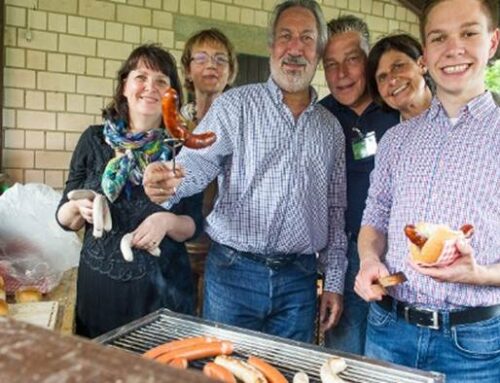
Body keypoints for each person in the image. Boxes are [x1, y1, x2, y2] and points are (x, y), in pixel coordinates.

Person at [143, 0, 347, 343]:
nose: (295, 48)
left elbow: (335, 213)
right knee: (224, 369)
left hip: (299, 281)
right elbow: (196, 165)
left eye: (307, 38)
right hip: (233, 273)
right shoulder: (235, 106)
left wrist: (335, 282)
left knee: (286, 374)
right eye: (285, 36)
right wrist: (168, 183)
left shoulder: (331, 129)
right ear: (271, 45)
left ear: (320, 49)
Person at [355, 0, 500, 381]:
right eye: (439, 38)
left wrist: (480, 274)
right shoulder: (397, 141)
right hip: (389, 329)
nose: (453, 49)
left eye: (469, 33)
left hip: (475, 348)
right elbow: (374, 219)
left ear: (493, 42)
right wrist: (369, 260)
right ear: (426, 54)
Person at [56, 44, 203, 338]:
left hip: (163, 295)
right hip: (100, 292)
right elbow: (63, 216)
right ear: (124, 85)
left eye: (162, 81)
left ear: (171, 96)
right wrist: (78, 208)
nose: (150, 87)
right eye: (141, 77)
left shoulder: (182, 149)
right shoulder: (94, 140)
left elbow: (193, 224)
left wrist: (167, 221)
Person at [319, 15, 399, 355]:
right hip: (343, 256)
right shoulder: (319, 117)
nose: (341, 74)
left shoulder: (397, 110)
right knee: (345, 358)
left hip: (396, 254)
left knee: (390, 358)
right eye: (331, 64)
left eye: (351, 60)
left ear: (368, 59)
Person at [179, 29, 238, 314]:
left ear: (231, 72)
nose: (211, 65)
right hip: (177, 245)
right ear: (188, 71)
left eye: (220, 59)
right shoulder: (171, 126)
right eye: (200, 58)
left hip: (228, 252)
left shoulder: (244, 127)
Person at [367, 33, 433, 121]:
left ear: (422, 65)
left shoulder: (454, 114)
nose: (392, 81)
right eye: (382, 77)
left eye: (398, 66)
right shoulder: (384, 132)